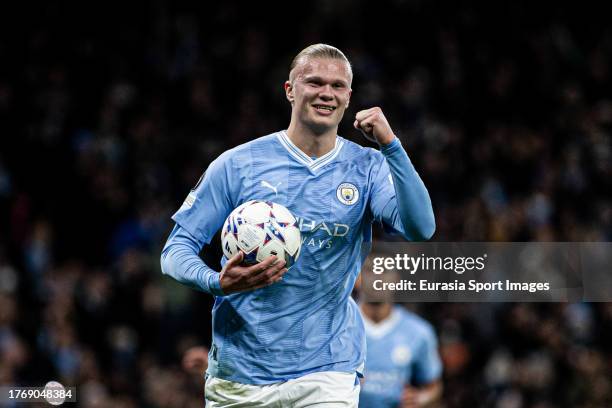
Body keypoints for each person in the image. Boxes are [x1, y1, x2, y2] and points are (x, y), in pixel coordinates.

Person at [160, 43, 435, 407]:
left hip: (328, 369)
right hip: (242, 371)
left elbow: (421, 228)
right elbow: (175, 251)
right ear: (290, 90)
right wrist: (216, 282)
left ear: (349, 97)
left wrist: (392, 147)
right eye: (314, 82)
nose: (326, 93)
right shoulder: (238, 164)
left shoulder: (368, 168)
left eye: (337, 86)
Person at [359, 303, 443, 408]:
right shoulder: (338, 323)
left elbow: (434, 386)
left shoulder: (419, 331)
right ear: (356, 285)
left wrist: (420, 399)